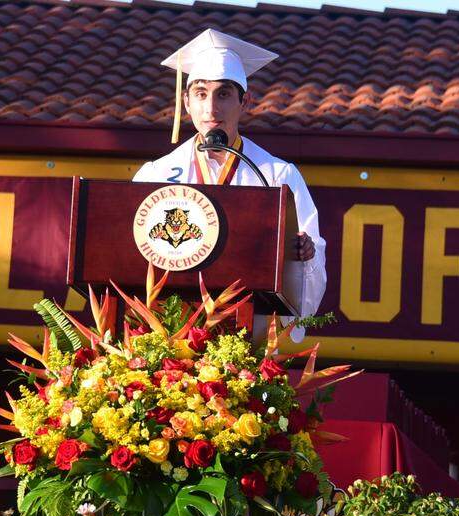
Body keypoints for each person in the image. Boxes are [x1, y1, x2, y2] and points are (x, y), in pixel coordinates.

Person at [132, 29, 326, 341]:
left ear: (245, 101)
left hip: (245, 342)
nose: (211, 109)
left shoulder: (277, 176)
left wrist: (305, 255)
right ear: (186, 101)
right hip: (167, 339)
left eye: (223, 94)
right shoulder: (156, 174)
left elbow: (310, 260)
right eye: (200, 94)